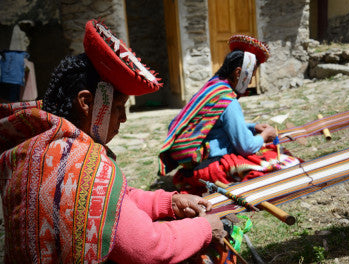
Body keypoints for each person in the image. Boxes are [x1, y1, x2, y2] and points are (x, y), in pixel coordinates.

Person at [0, 19, 227, 263]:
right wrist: (205, 228)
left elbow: (112, 202)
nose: (124, 119)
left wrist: (169, 202)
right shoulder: (83, 165)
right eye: (119, 107)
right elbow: (148, 248)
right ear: (86, 102)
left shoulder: (36, 144)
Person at [158, 35, 301, 194]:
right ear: (239, 72)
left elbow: (214, 124)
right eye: (251, 76)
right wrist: (265, 135)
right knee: (281, 162)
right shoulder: (228, 100)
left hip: (193, 165)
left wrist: (253, 127)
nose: (250, 82)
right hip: (210, 167)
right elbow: (246, 147)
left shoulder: (213, 87)